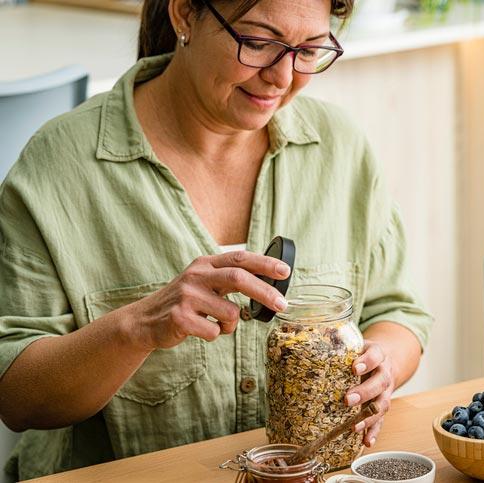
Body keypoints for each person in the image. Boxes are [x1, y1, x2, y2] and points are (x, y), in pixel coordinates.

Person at [0, 0, 433, 479]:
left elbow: (398, 314)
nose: (282, 77)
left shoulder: (340, 148)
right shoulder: (59, 167)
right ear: (185, 14)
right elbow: (16, 397)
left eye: (308, 49)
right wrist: (137, 328)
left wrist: (380, 365)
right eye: (258, 42)